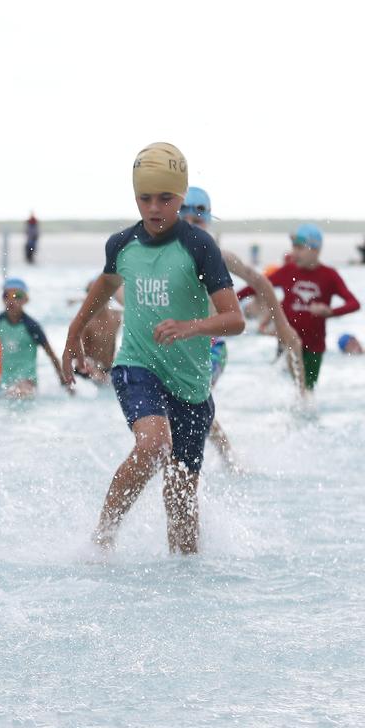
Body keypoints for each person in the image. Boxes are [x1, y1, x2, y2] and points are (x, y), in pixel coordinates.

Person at [62, 142, 245, 554]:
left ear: (181, 197)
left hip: (192, 386)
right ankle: (103, 538)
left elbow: (235, 319)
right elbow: (101, 292)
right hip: (138, 365)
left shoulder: (199, 247)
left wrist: (190, 327)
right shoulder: (122, 245)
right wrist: (73, 338)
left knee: (181, 501)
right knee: (153, 445)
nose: (156, 207)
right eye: (146, 198)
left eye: (166, 198)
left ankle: (184, 585)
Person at [180, 186, 306, 469]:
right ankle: (229, 459)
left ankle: (222, 461)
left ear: (208, 221)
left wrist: (282, 325)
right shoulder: (165, 257)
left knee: (193, 402)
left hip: (211, 349)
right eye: (184, 220)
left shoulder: (220, 256)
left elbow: (260, 282)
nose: (190, 227)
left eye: (197, 221)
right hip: (177, 347)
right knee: (191, 406)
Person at [235, 223, 359, 392]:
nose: (294, 253)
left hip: (315, 345)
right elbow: (257, 285)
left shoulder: (329, 275)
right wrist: (232, 300)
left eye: (300, 248)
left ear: (316, 249)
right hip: (289, 340)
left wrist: (330, 312)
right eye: (293, 247)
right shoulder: (288, 271)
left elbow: (354, 303)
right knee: (292, 388)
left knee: (306, 392)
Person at [68, 277, 122, 385]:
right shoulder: (85, 324)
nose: (99, 297)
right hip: (87, 374)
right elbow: (75, 356)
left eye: (103, 292)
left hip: (108, 370)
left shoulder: (117, 316)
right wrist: (93, 370)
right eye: (95, 294)